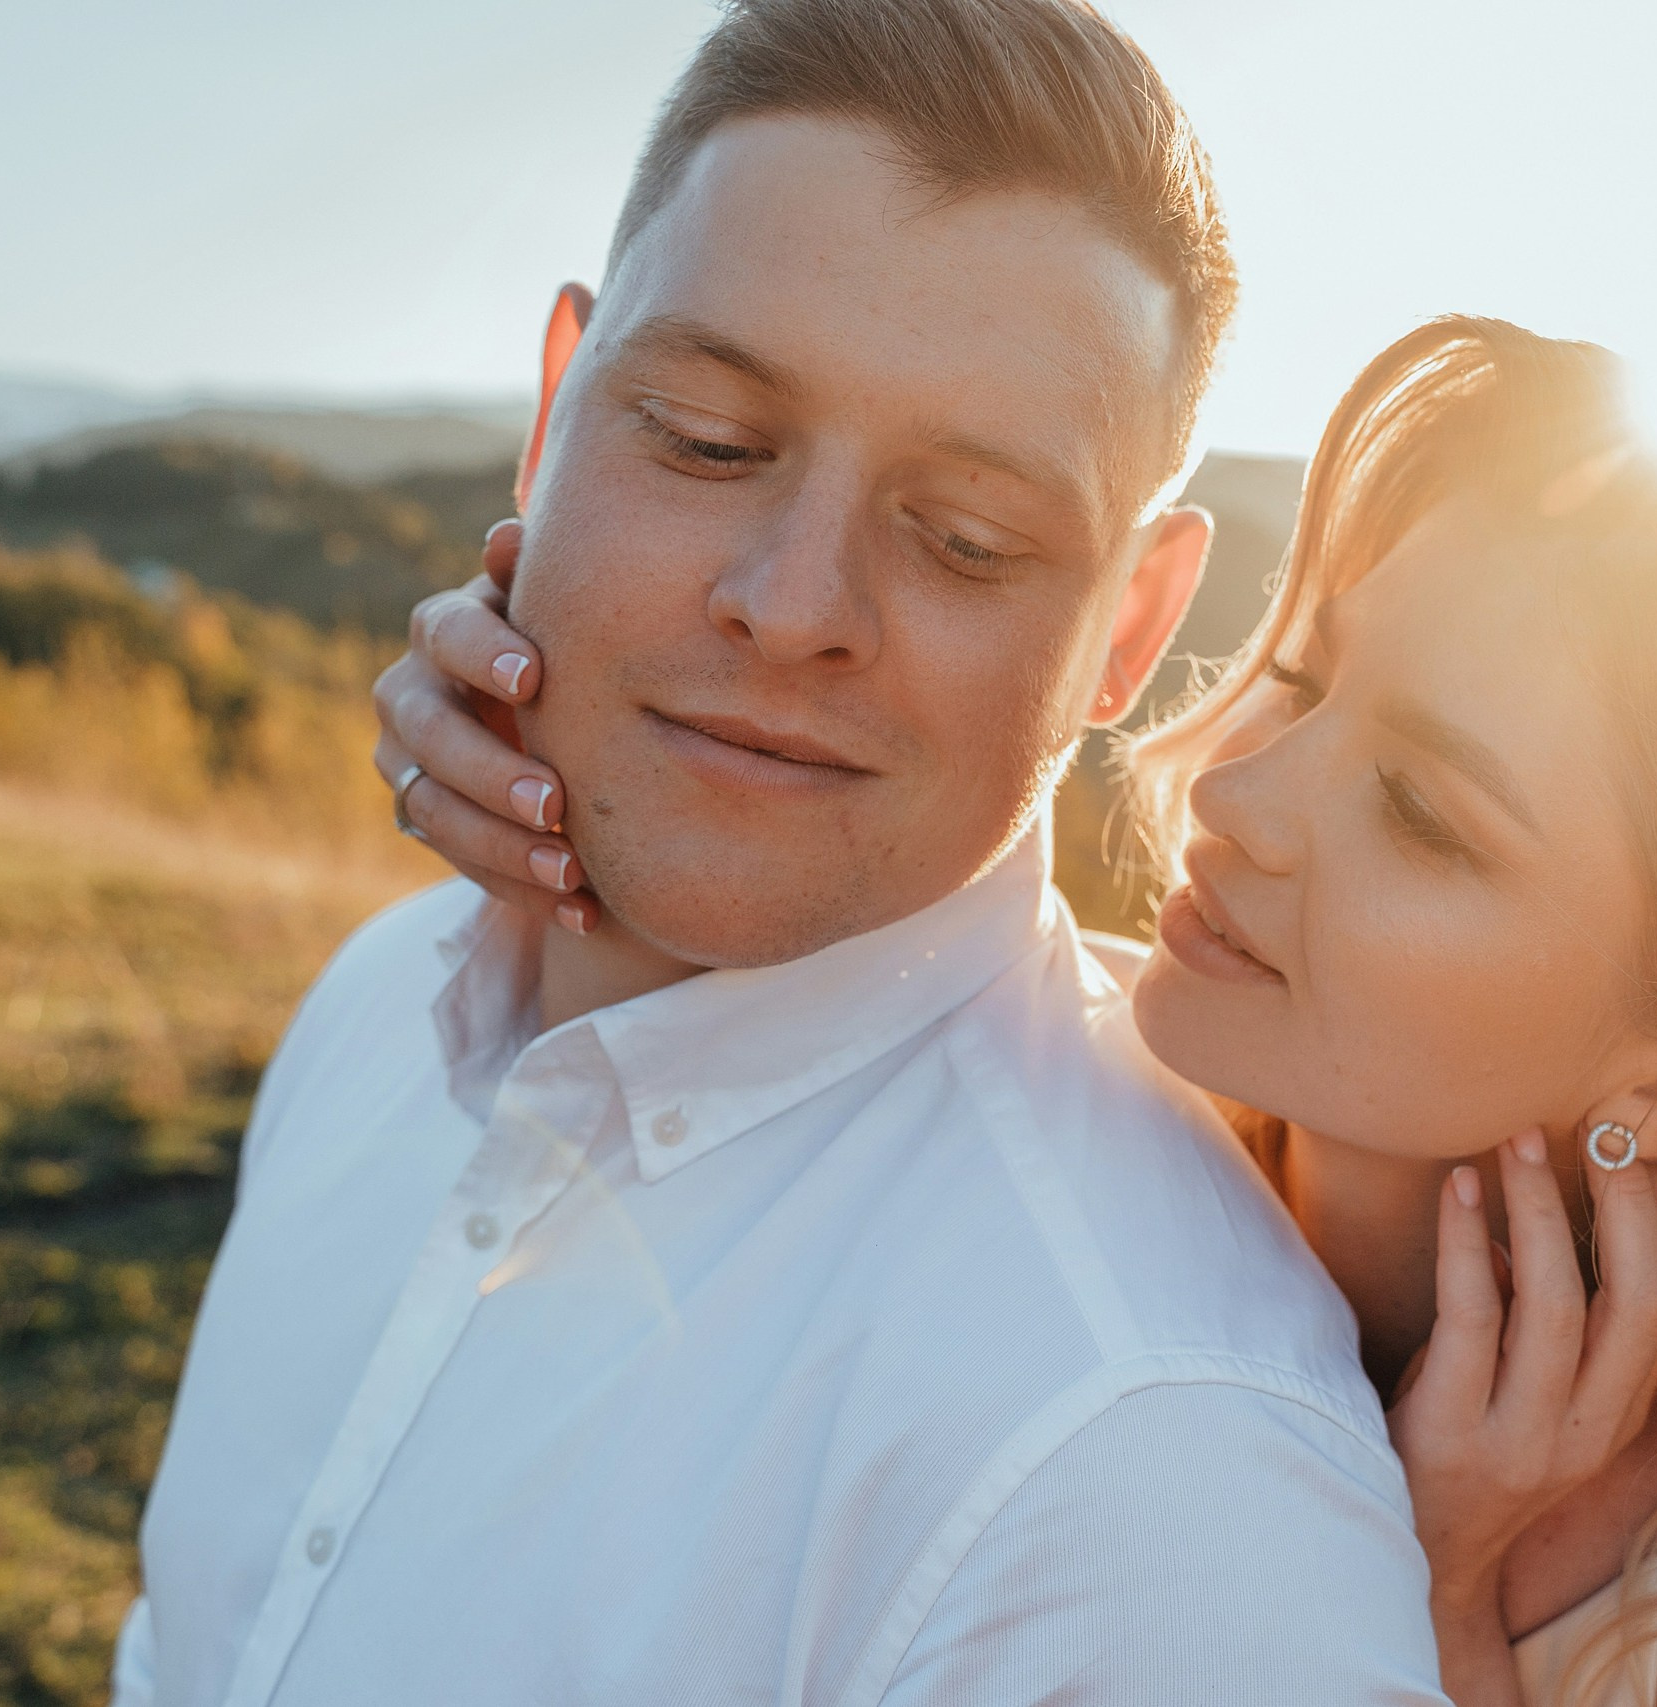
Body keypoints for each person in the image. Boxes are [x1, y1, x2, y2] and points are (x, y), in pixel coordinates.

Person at [400, 319, 1657, 1704]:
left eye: (1428, 816)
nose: (1239, 798)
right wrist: (518, 729)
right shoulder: (1057, 1091)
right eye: (1303, 677)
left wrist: (1421, 1595)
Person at [117, 3, 1456, 1704]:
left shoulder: (1151, 1478)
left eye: (967, 540)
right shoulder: (377, 1006)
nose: (792, 606)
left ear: (1132, 628)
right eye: (706, 441)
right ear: (552, 418)